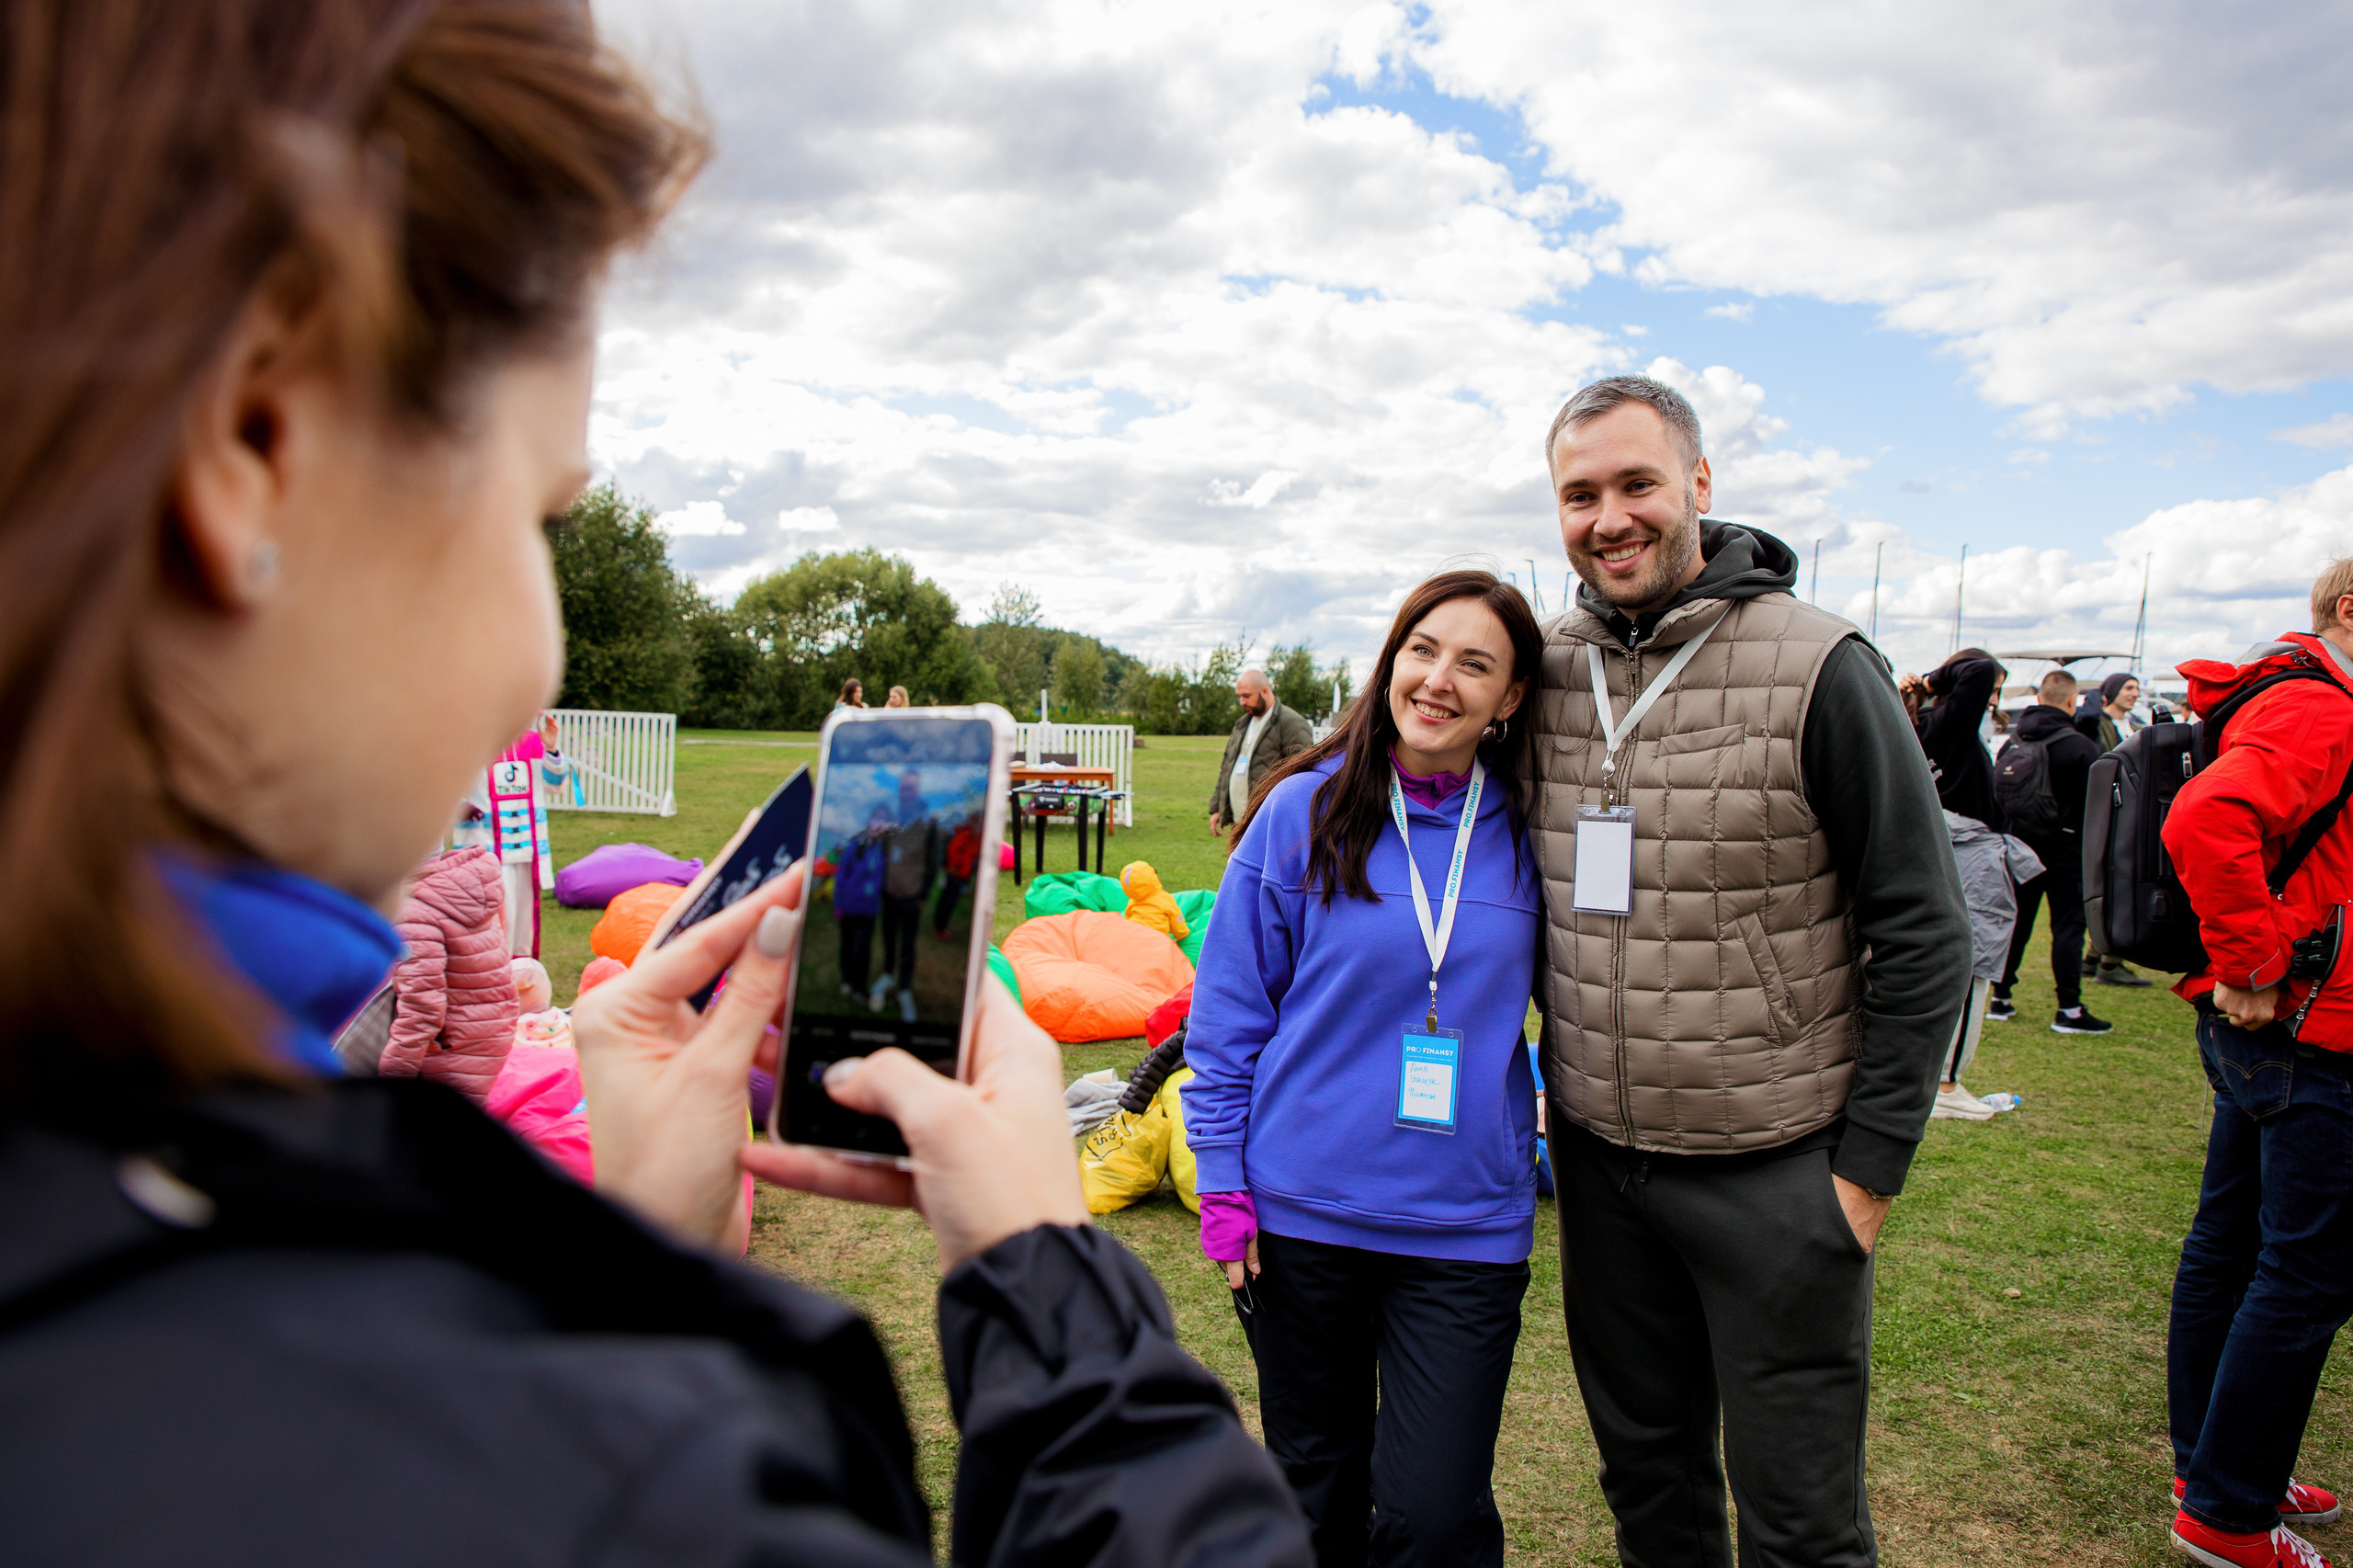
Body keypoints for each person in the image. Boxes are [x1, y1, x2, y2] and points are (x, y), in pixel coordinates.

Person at [0, 6, 1311, 1564]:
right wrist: (1046, 1278)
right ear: (255, 445)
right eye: (539, 514)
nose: (536, 669)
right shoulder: (610, 1488)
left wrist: (618, 1247)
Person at [1532, 375, 1970, 1566]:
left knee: (1802, 1527)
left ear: (1699, 485)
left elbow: (1928, 929)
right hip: (1599, 1170)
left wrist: (1867, 1171)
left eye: (1636, 483)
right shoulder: (1548, 668)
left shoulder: (1821, 661)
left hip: (1775, 1169)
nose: (1610, 518)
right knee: (1654, 1499)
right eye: (1580, 494)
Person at [1185, 570, 1543, 1568]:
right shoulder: (1300, 810)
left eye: (1475, 663)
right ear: (1390, 661)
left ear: (1510, 698)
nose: (1438, 679)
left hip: (1463, 1229)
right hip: (1301, 1215)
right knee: (1313, 1491)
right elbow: (1226, 1016)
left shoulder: (1533, 830)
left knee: (1431, 1515)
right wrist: (1220, 1177)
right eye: (1421, 650)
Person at [2161, 560, 2353, 1568]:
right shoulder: (2322, 706)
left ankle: (2217, 1463)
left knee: (2234, 1247)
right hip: (2306, 1024)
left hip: (2289, 1017)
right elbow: (2204, 819)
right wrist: (2253, 959)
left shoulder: (2292, 691)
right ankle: (2228, 1504)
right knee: (2306, 1267)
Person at [1989, 670, 2113, 1032]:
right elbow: (2095, 804)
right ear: (2071, 701)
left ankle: (2000, 997)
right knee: (2068, 927)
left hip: (2020, 844)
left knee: (2017, 923)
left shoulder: (2014, 740)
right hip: (2065, 847)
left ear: (2040, 698)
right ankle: (2069, 1009)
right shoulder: (2079, 746)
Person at [2076, 673, 2157, 989]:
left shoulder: (2135, 725)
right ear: (2111, 692)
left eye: (2137, 688)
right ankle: (2110, 964)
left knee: (2118, 885)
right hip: (2111, 813)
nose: (2135, 694)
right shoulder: (2098, 725)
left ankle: (2093, 959)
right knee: (2119, 886)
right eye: (2128, 688)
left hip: (2132, 812)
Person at [1904, 648, 2007, 830]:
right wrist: (1930, 681)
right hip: (1966, 845)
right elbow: (1982, 669)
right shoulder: (1948, 726)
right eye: (1992, 691)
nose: (1994, 701)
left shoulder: (1927, 723)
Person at [1210, 667, 1313, 835]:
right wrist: (1217, 808)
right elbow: (1226, 767)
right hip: (1238, 821)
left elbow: (1303, 776)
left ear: (1264, 691)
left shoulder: (1292, 723)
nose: (1242, 702)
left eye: (1246, 696)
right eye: (1239, 696)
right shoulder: (1241, 724)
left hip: (1267, 823)